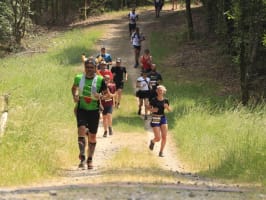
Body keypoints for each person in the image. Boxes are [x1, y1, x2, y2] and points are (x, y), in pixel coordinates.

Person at [71, 58, 107, 170]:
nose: (89, 69)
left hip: (94, 111)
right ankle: (82, 156)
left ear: (95, 68)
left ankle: (90, 159)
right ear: (84, 68)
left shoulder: (100, 80)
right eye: (87, 67)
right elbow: (73, 88)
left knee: (92, 136)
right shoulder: (78, 78)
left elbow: (107, 95)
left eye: (91, 67)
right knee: (81, 130)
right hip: (82, 109)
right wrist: (75, 95)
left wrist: (100, 96)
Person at [148, 85, 171, 157]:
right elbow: (148, 108)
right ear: (156, 91)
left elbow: (169, 110)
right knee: (158, 138)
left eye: (161, 90)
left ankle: (161, 152)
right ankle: (152, 141)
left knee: (164, 137)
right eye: (159, 90)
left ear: (164, 92)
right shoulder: (153, 100)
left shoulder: (166, 100)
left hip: (163, 118)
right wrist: (152, 110)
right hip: (155, 118)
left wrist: (167, 107)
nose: (160, 92)